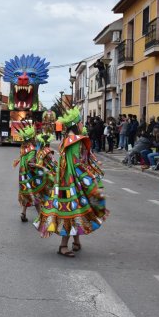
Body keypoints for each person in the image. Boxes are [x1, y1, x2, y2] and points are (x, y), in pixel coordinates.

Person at [34, 107, 108, 257]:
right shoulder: (74, 141)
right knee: (69, 212)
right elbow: (76, 164)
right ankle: (63, 246)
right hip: (69, 184)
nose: (83, 125)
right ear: (76, 124)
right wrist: (90, 178)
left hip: (65, 182)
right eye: (81, 122)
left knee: (77, 211)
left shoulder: (67, 139)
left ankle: (76, 242)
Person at [12, 125, 42, 222]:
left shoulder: (23, 147)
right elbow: (31, 162)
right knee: (35, 195)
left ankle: (23, 213)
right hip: (30, 176)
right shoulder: (32, 149)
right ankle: (41, 217)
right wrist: (38, 166)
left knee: (26, 194)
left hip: (22, 175)